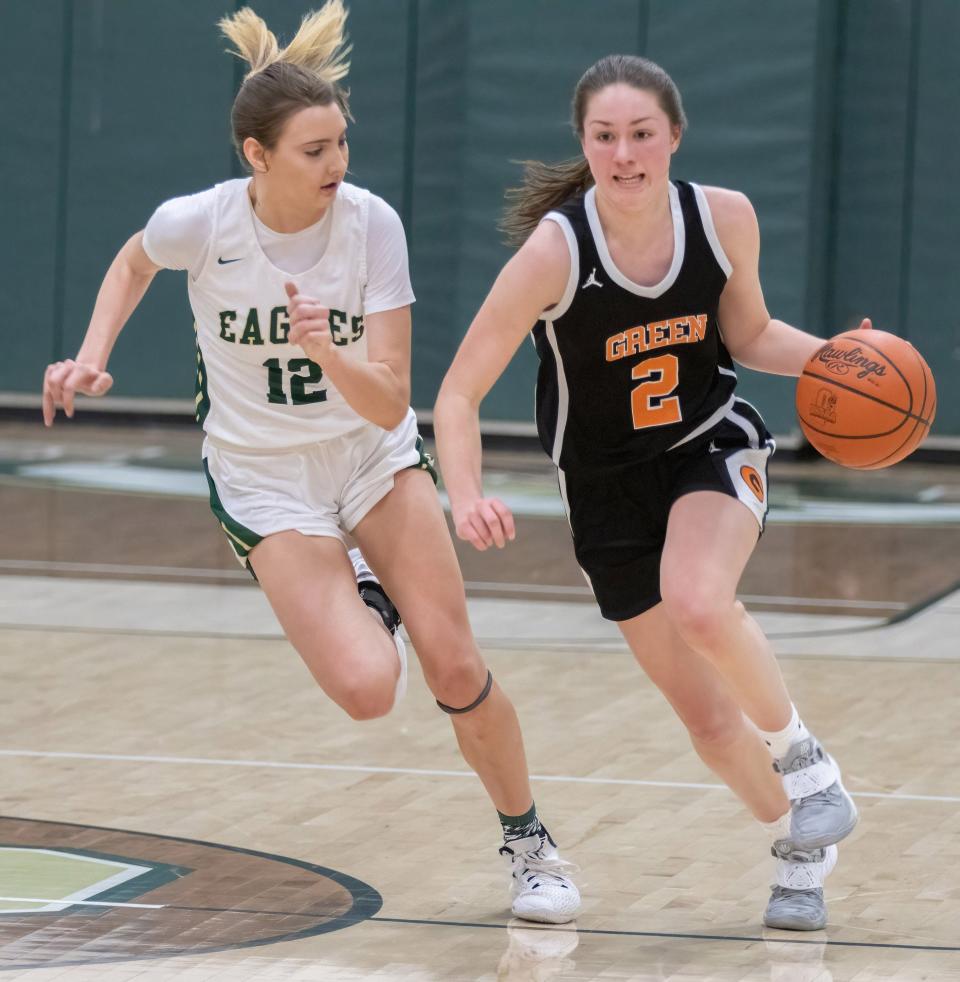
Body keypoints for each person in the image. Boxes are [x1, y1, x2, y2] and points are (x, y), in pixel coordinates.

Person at [40, 2, 580, 926]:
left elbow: (388, 398)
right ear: (257, 156)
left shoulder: (371, 226)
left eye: (341, 143)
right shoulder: (202, 223)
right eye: (314, 151)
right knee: (372, 692)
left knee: (454, 665)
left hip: (368, 454)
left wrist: (330, 352)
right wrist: (90, 352)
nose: (338, 165)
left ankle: (530, 844)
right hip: (260, 476)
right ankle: (370, 591)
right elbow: (133, 262)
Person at [434, 54, 862, 931]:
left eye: (641, 134)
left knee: (699, 600)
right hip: (605, 491)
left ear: (674, 136)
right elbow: (455, 393)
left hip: (709, 445)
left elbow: (749, 334)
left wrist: (837, 360)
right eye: (604, 137)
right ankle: (802, 845)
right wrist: (465, 490)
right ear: (583, 144)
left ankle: (811, 767)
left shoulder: (722, 218)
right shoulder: (555, 252)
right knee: (708, 727)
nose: (624, 154)